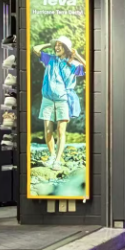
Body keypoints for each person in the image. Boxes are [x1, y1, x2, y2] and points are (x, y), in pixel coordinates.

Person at [32, 36, 86, 168]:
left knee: (61, 131)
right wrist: (49, 45)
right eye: (56, 45)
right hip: (47, 99)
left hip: (63, 99)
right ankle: (51, 156)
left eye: (60, 45)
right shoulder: (50, 59)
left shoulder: (73, 63)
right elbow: (35, 49)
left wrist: (77, 55)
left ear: (66, 48)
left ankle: (57, 160)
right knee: (48, 130)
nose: (57, 47)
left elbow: (87, 67)